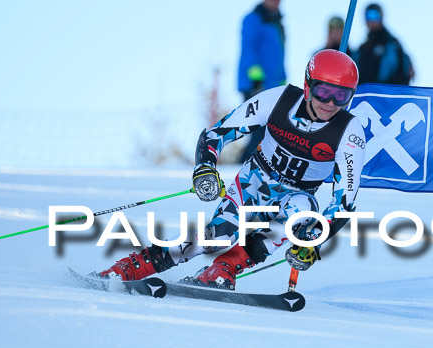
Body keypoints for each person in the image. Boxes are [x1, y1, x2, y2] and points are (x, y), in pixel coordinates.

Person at [98, 50, 366, 291]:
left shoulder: (349, 133)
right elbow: (217, 134)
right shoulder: (278, 100)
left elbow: (343, 203)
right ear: (308, 86)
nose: (330, 103)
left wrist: (313, 241)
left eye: (341, 95)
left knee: (301, 216)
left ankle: (221, 269)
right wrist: (205, 168)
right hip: (255, 180)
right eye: (323, 91)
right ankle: (132, 267)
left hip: (298, 194)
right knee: (219, 235)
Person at [237, 0, 286, 163]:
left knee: (269, 132)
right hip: (256, 85)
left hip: (273, 86)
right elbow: (248, 47)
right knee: (257, 130)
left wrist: (283, 78)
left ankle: (257, 166)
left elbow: (279, 55)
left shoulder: (278, 23)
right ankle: (240, 165)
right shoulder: (253, 19)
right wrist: (255, 76)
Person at [354, 3, 414, 85]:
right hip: (367, 93)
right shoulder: (364, 47)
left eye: (375, 15)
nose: (372, 20)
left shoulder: (391, 43)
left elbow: (397, 69)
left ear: (381, 17)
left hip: (385, 92)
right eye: (368, 16)